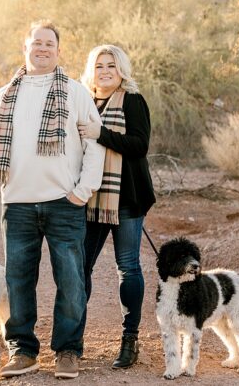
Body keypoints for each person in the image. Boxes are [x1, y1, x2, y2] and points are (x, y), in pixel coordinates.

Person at [0, 20, 105, 379]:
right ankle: (23, 350)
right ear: (25, 48)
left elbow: (95, 146)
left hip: (65, 203)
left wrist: (82, 190)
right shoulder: (4, 95)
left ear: (58, 51)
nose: (42, 49)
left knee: (71, 280)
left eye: (49, 44)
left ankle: (67, 351)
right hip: (16, 204)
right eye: (36, 43)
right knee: (18, 280)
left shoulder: (75, 92)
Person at [77, 44, 155, 369]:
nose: (105, 71)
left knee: (128, 268)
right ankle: (72, 340)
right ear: (91, 71)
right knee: (79, 269)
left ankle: (129, 340)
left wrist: (101, 133)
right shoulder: (84, 102)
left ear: (121, 69)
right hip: (90, 198)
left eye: (111, 65)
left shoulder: (133, 101)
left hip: (126, 199)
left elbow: (140, 145)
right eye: (99, 66)